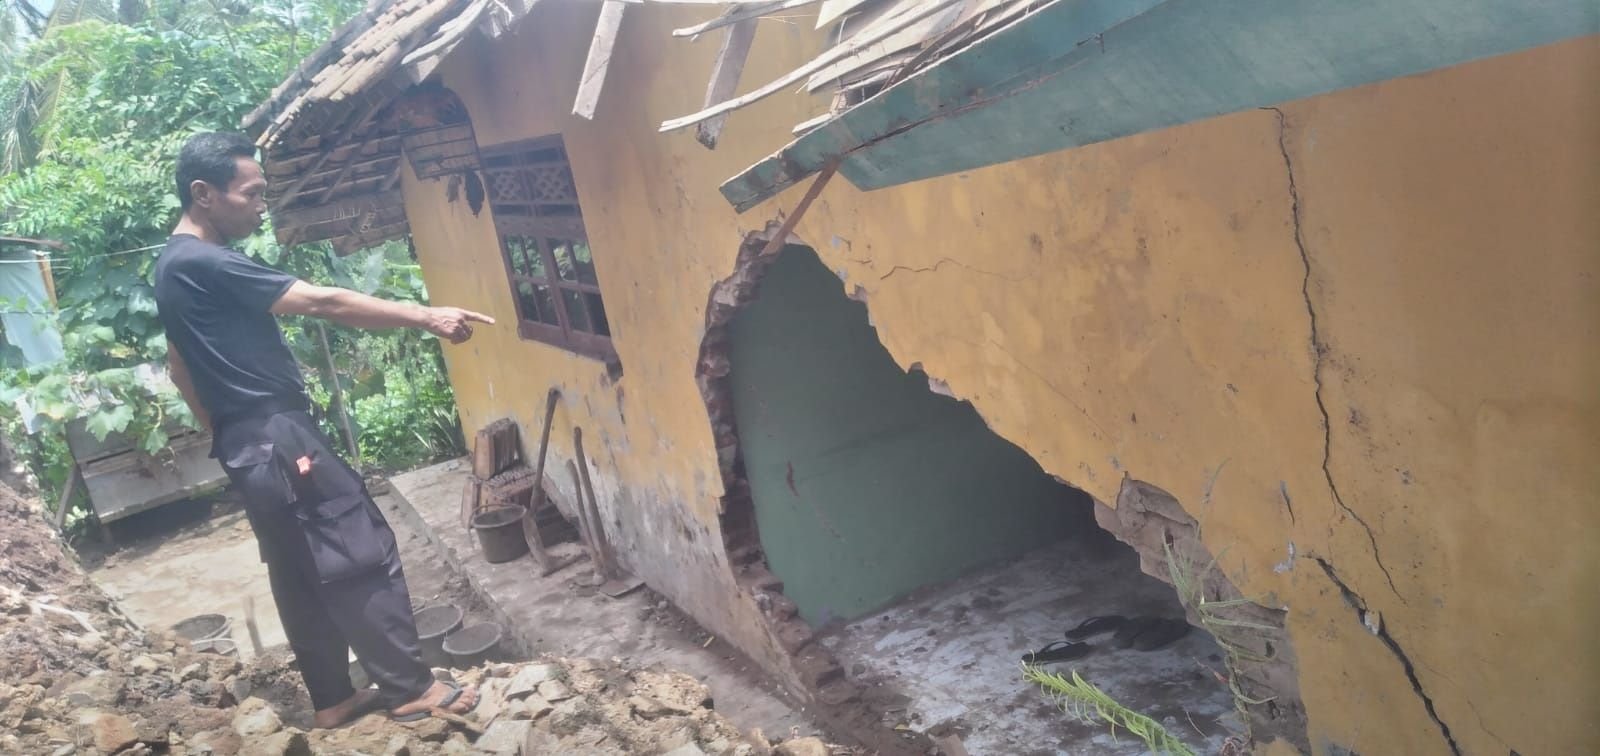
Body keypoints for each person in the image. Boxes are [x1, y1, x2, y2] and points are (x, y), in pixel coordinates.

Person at [154, 132, 490, 727]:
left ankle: (333, 698)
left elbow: (179, 369)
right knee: (354, 548)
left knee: (296, 569)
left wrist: (233, 437)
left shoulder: (170, 269)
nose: (263, 205)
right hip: (277, 432)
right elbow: (322, 302)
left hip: (247, 444)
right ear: (203, 194)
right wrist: (427, 315)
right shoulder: (207, 261)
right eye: (251, 193)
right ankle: (410, 688)